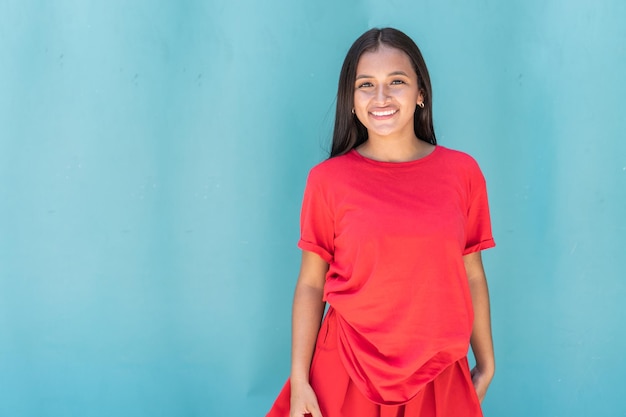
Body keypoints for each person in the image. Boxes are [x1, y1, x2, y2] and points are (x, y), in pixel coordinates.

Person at [267, 27, 496, 417]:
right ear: (351, 100)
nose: (381, 97)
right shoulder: (327, 181)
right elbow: (310, 283)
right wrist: (300, 379)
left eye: (397, 81)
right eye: (366, 85)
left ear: (421, 92)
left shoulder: (463, 172)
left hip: (438, 371)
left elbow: (471, 270)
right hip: (346, 369)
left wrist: (486, 361)